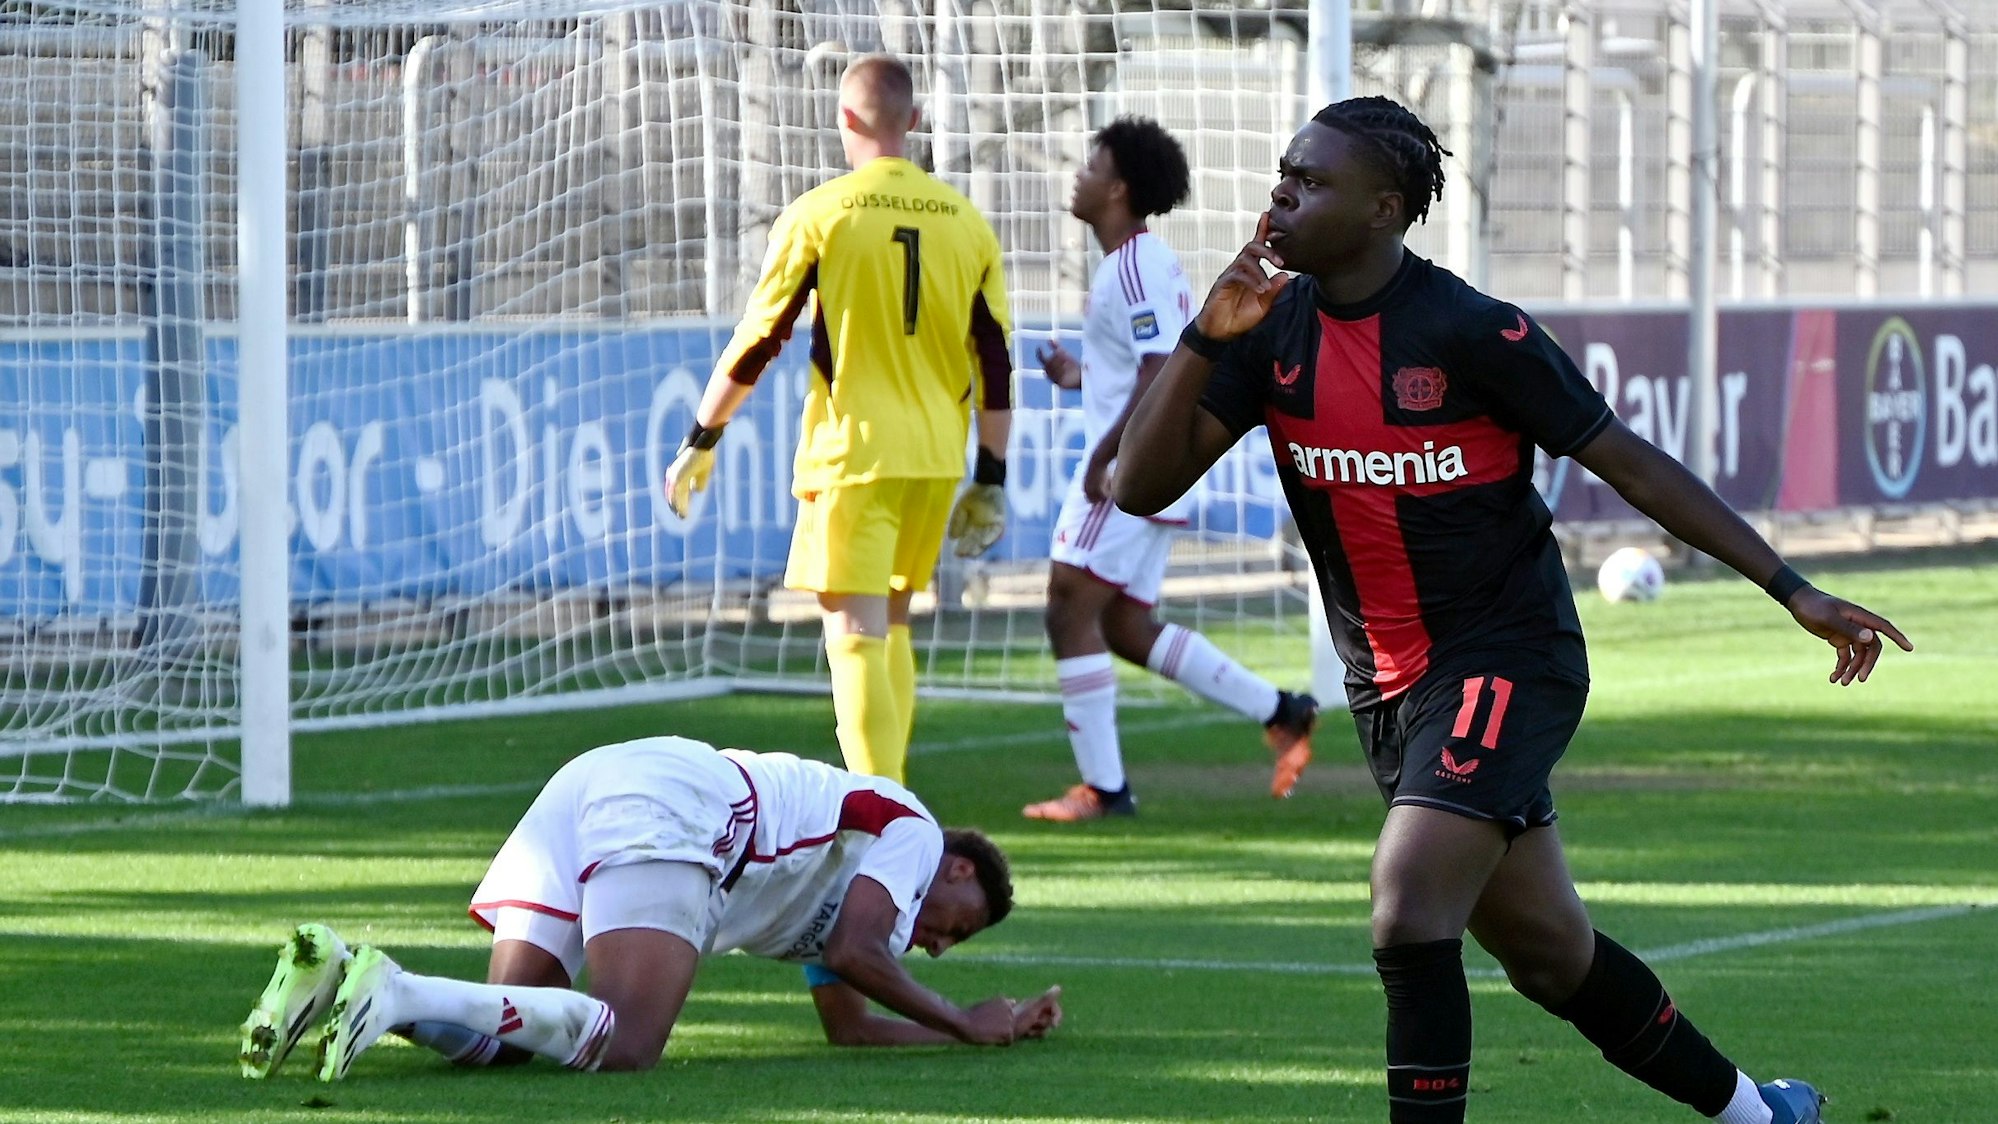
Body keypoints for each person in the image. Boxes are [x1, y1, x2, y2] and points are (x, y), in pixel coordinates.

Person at [1115, 95, 1911, 1124]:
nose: (1281, 193)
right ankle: (1764, 1114)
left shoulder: (1469, 329)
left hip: (1507, 655)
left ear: (1383, 209)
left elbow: (1629, 462)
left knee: (1407, 906)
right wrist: (1201, 333)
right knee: (1549, 953)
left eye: (1310, 180)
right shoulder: (1269, 336)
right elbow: (1135, 486)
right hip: (1389, 689)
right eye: (1282, 172)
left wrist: (1792, 587)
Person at [237, 736, 1063, 1081]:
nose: (941, 944)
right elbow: (858, 951)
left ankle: (349, 975)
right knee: (626, 1043)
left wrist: (967, 1027)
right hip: (682, 802)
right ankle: (400, 992)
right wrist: (964, 1019)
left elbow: (850, 1024)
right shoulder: (911, 830)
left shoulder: (849, 892)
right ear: (954, 867)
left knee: (505, 1045)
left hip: (596, 781)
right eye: (957, 923)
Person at [663, 54, 1014, 788]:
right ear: (913, 122)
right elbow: (996, 360)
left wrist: (703, 435)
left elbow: (761, 338)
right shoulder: (968, 223)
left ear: (845, 119)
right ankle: (895, 800)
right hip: (936, 457)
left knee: (850, 630)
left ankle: (886, 815)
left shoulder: (822, 213)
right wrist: (993, 475)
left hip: (855, 454)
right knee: (889, 622)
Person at [1022, 116, 1319, 823]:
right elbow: (1142, 363)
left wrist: (1104, 458)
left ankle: (1105, 791)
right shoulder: (1131, 264)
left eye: (1091, 163)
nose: (1079, 174)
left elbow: (1161, 369)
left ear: (1119, 185)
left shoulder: (1134, 262)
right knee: (1124, 624)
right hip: (1154, 454)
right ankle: (1282, 711)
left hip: (1135, 462)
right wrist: (1080, 374)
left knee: (1068, 606)